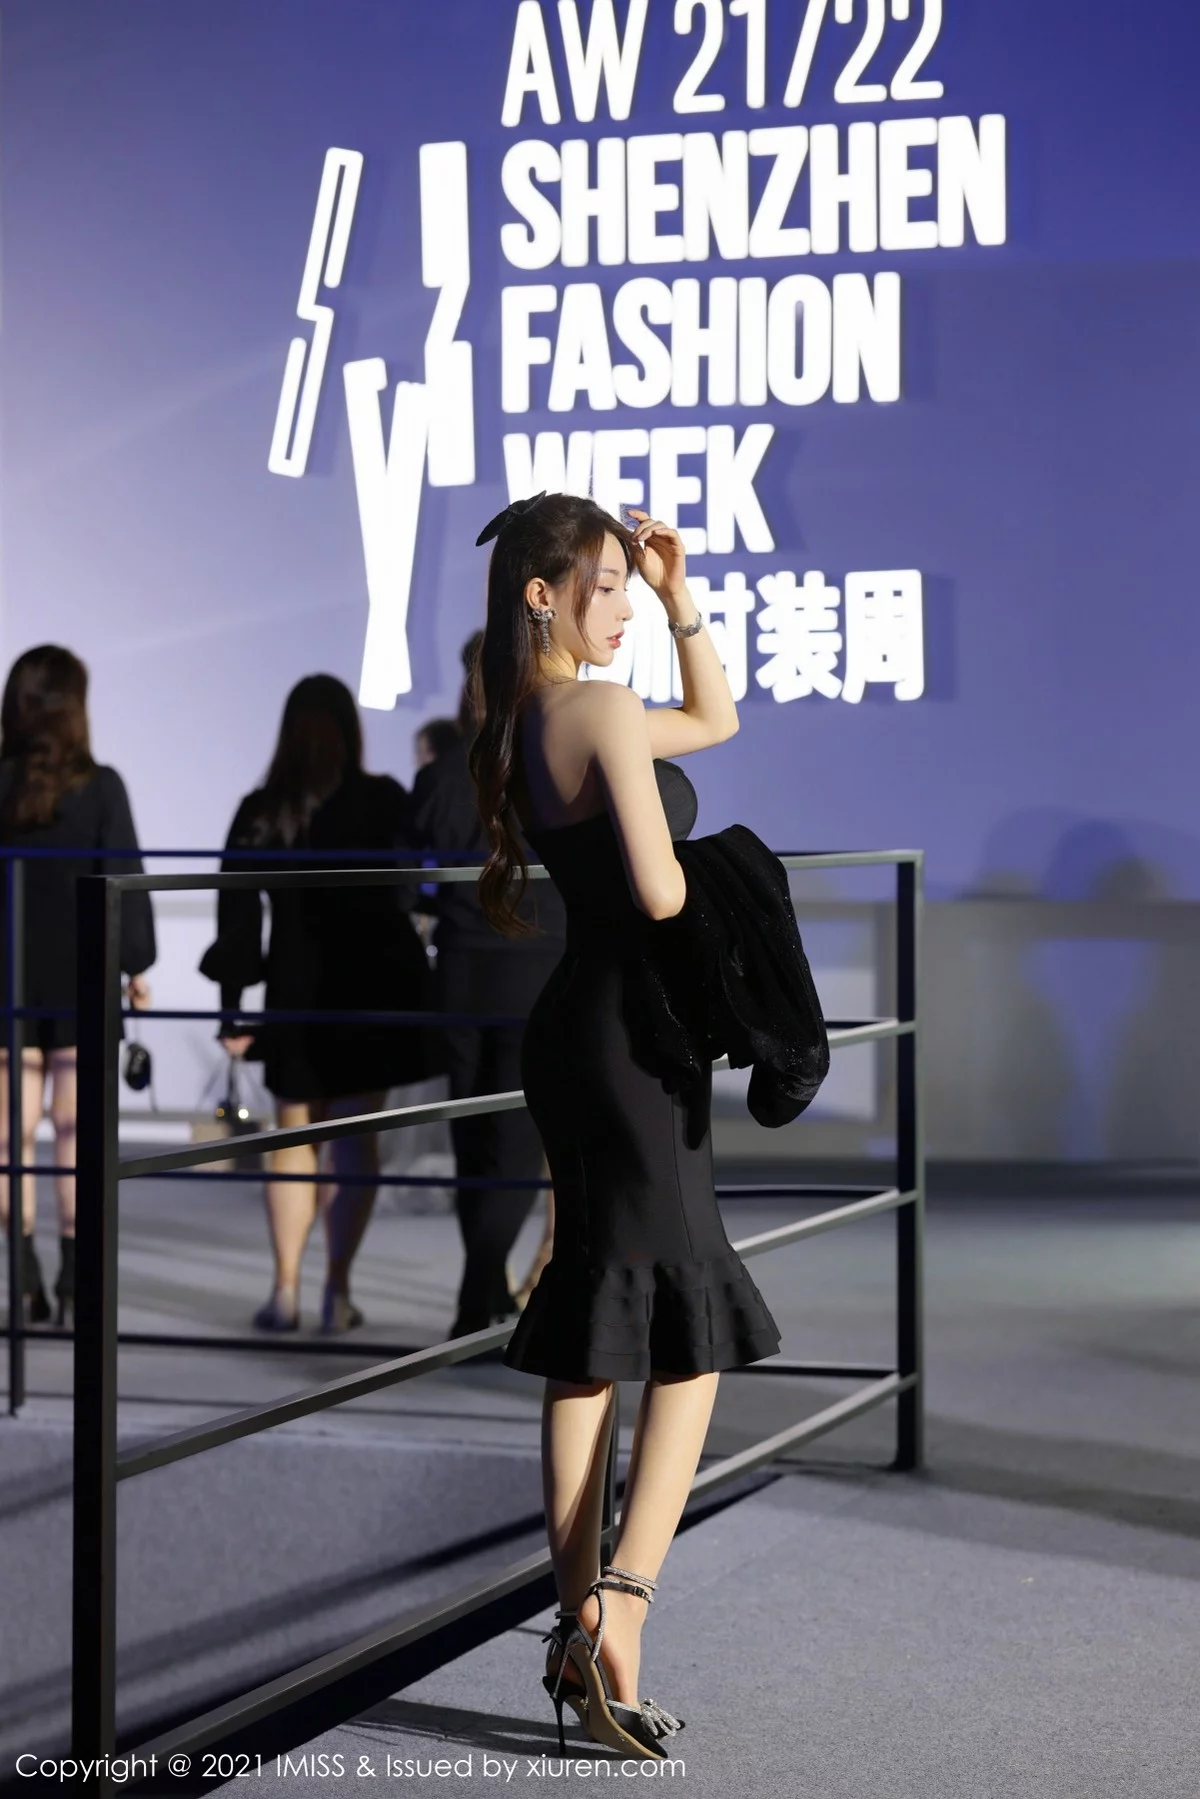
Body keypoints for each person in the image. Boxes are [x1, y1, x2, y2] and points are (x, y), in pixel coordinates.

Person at [469, 492, 784, 1761]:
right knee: (687, 1330)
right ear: (541, 593)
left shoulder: (525, 716)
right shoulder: (596, 706)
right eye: (605, 584)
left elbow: (714, 718)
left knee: (594, 1328)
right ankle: (623, 1610)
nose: (623, 605)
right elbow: (658, 888)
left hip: (576, 1031)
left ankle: (574, 1620)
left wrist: (676, 592)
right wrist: (733, 889)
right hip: (634, 1041)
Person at [200, 675, 433, 1333]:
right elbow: (412, 890)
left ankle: (284, 1291)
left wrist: (231, 1007)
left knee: (292, 1139)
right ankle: (337, 1292)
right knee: (356, 1142)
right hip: (371, 986)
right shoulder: (382, 799)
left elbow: (236, 912)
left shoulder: (262, 809)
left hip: (295, 985)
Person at [408, 640, 566, 1339]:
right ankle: (479, 1295)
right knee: (514, 1143)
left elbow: (402, 878)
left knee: (472, 1141)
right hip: (537, 973)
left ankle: (482, 1293)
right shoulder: (554, 760)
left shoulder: (442, 774)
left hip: (460, 976)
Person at [0, 645, 155, 1327]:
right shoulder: (101, 786)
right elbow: (125, 883)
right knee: (76, 1136)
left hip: (7, 978)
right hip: (82, 979)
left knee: (8, 1140)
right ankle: (74, 1283)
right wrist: (136, 966)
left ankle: (22, 1281)